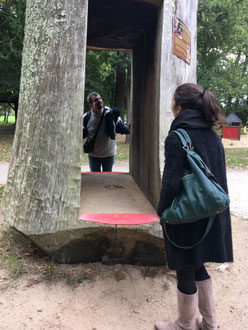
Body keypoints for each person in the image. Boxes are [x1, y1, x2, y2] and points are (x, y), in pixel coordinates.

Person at [155, 83, 233, 330]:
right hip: (210, 216)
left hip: (186, 217)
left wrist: (162, 212)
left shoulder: (177, 137)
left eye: (172, 103)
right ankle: (209, 324)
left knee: (185, 269)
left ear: (179, 107)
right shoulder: (212, 136)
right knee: (198, 265)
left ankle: (184, 325)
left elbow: (170, 184)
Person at [83, 92, 130, 172]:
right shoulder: (86, 117)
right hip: (94, 156)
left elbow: (120, 128)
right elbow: (82, 134)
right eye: (95, 100)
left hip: (109, 155)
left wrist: (130, 130)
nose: (99, 101)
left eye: (99, 98)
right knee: (95, 179)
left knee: (107, 180)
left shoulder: (112, 114)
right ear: (91, 104)